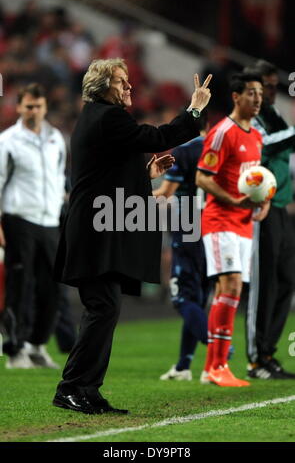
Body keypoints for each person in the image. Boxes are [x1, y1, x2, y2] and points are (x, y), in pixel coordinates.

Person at [52, 58, 212, 415]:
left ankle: (87, 388)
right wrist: (194, 109)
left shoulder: (97, 118)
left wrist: (145, 173)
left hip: (95, 227)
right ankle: (72, 388)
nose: (129, 87)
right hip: (95, 230)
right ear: (100, 87)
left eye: (127, 80)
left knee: (104, 307)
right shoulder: (109, 117)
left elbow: (105, 172)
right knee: (103, 307)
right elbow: (157, 137)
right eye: (121, 81)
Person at [196, 72, 269, 387]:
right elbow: (202, 177)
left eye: (260, 94)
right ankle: (218, 365)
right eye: (252, 93)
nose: (258, 99)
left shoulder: (256, 136)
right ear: (236, 96)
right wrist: (233, 200)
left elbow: (256, 180)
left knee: (227, 292)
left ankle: (213, 366)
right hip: (220, 220)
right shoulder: (223, 132)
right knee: (232, 286)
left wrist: (262, 201)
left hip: (243, 224)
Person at [0, 83, 66, 369]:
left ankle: (37, 345)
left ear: (45, 107)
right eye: (28, 106)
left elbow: (59, 177)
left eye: (38, 106)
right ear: (18, 108)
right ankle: (15, 350)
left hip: (50, 220)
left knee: (53, 289)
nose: (33, 111)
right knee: (20, 285)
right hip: (19, 219)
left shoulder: (56, 139)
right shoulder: (8, 141)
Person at [245, 60, 295, 379]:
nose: (275, 90)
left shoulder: (274, 115)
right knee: (264, 283)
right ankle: (255, 358)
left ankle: (268, 352)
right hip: (260, 207)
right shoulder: (250, 118)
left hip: (280, 206)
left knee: (286, 279)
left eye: (276, 85)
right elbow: (261, 148)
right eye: (269, 85)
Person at [153, 111, 211, 383]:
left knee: (182, 297)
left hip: (188, 223)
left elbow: (165, 193)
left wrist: (134, 190)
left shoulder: (184, 151)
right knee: (198, 298)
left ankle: (219, 346)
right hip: (216, 228)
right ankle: (183, 365)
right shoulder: (220, 148)